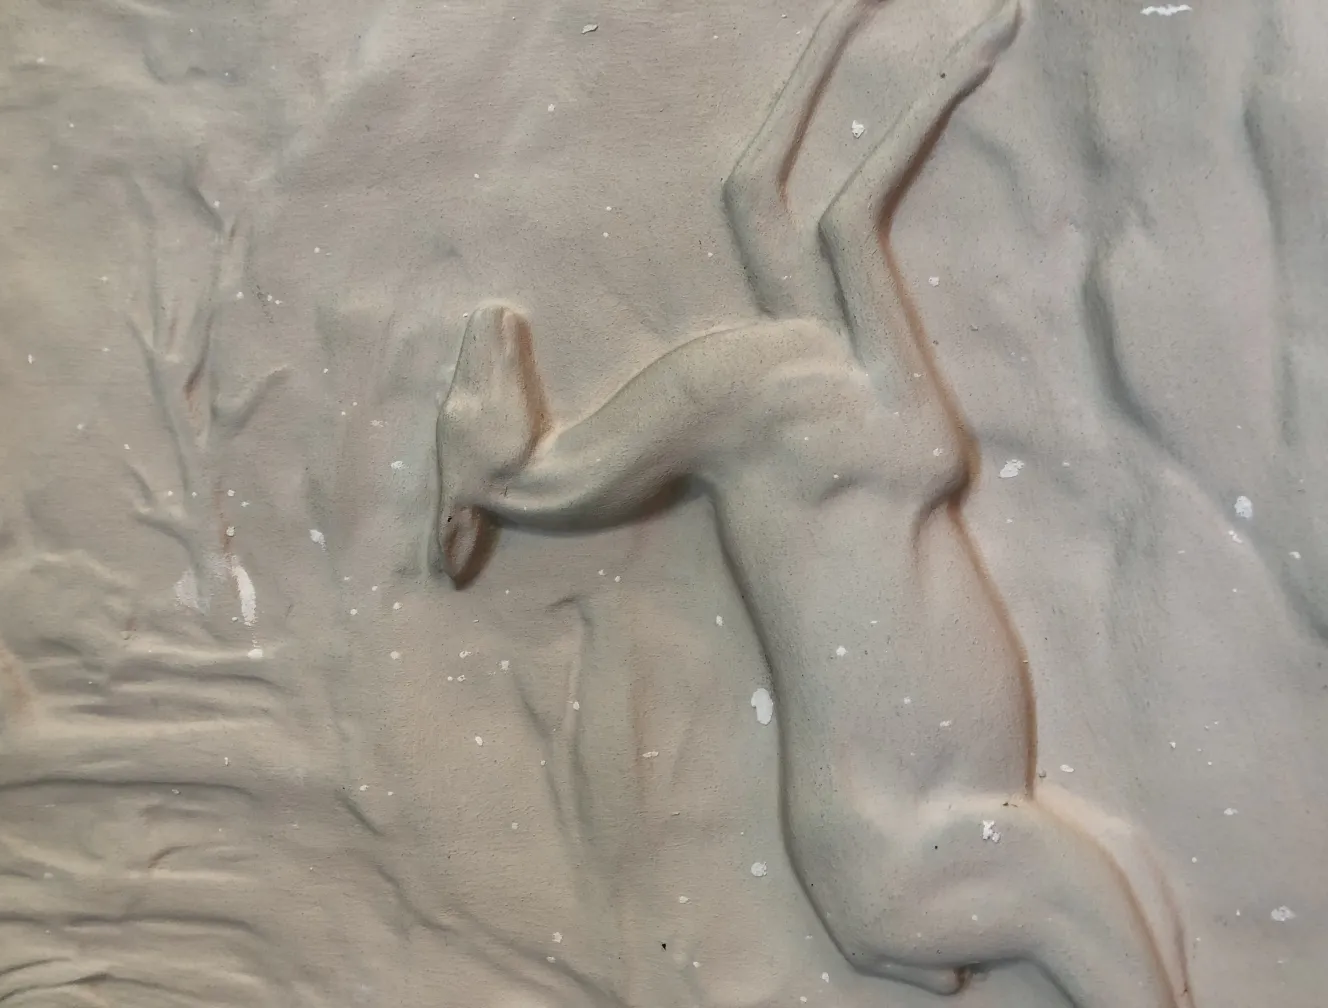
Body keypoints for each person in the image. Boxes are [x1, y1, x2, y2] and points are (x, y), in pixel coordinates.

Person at [433, 2, 1192, 1004]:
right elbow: (825, 214)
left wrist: (865, 32)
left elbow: (767, 195)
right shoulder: (779, 409)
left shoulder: (816, 371)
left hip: (917, 832)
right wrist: (949, 61)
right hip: (902, 850)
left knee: (1130, 879)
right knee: (1094, 904)